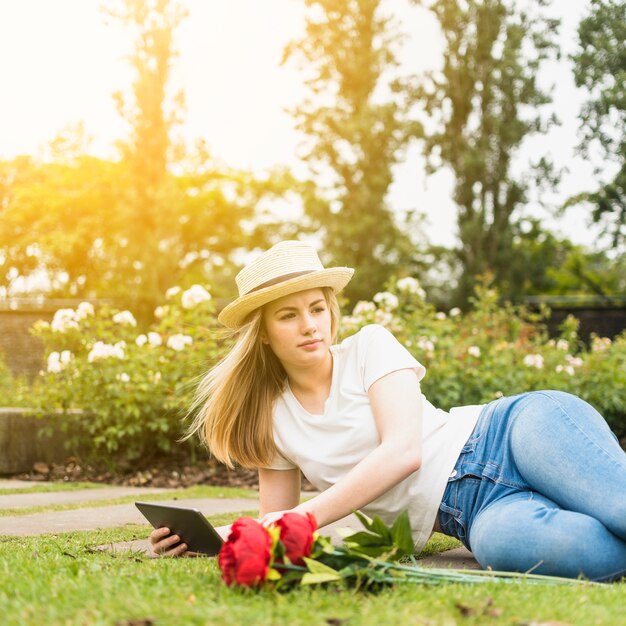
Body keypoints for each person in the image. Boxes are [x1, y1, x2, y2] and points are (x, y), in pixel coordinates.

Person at [150, 240, 626, 581]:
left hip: (513, 433)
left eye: (316, 308)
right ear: (264, 331)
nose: (310, 325)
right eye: (288, 315)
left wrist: (303, 520)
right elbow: (278, 521)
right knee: (581, 554)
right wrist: (210, 539)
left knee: (620, 507)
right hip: (480, 514)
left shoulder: (370, 347)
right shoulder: (271, 418)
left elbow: (403, 452)